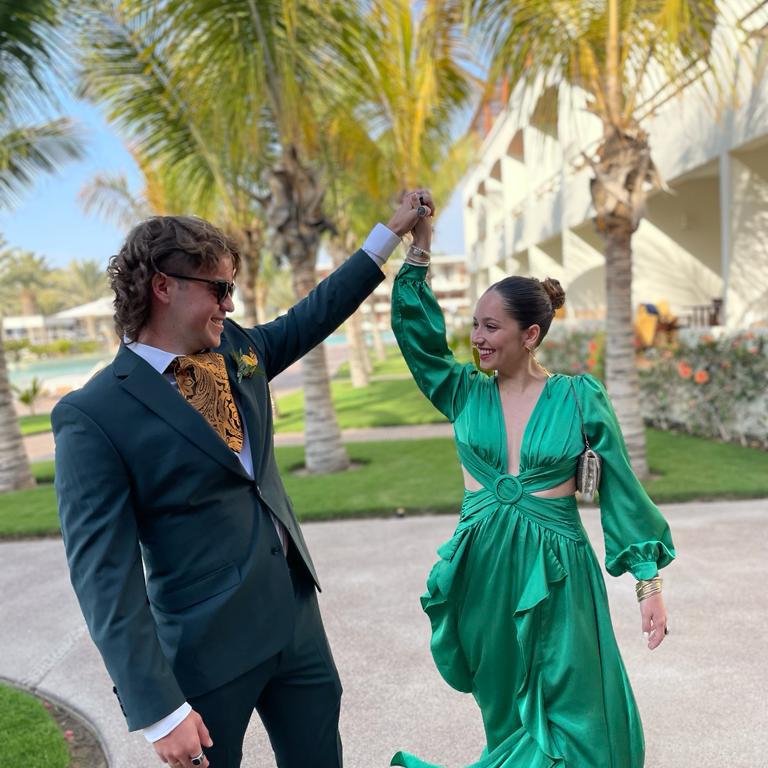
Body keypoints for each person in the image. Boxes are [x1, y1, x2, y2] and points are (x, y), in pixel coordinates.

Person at [53, 190, 433, 768]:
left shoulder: (238, 350)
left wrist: (389, 235)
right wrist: (160, 710)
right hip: (205, 651)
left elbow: (316, 312)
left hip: (295, 623)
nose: (230, 303)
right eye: (219, 288)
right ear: (163, 286)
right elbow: (104, 577)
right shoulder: (94, 415)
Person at [389, 213, 675, 768]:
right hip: (484, 571)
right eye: (475, 325)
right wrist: (418, 250)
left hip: (559, 572)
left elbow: (619, 486)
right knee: (506, 717)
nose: (477, 338)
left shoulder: (579, 398)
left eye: (491, 327)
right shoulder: (462, 391)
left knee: (583, 717)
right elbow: (418, 339)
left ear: (530, 335)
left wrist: (648, 582)